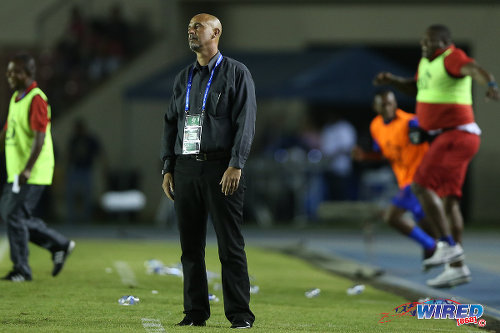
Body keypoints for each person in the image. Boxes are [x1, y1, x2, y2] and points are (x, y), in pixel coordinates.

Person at [374, 24, 499, 288]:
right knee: (450, 202)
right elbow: (417, 87)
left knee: (420, 185)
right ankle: (457, 267)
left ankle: (446, 246)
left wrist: (490, 83)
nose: (424, 45)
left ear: (444, 42)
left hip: (455, 134)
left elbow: (473, 69)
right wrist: (394, 81)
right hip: (453, 136)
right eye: (422, 41)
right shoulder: (427, 63)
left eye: (429, 41)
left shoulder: (451, 57)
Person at [160, 14, 256, 328]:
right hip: (186, 168)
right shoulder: (182, 78)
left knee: (230, 245)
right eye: (189, 27)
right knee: (190, 246)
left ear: (216, 32)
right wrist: (167, 167)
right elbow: (170, 123)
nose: (191, 31)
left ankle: (240, 315)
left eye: (197, 27)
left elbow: (246, 122)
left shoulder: (236, 73)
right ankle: (195, 312)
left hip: (221, 167)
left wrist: (236, 164)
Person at [0, 53, 75, 282]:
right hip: (17, 172)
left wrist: (28, 169)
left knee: (14, 215)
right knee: (10, 213)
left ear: (29, 73)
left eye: (16, 71)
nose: (10, 75)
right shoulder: (16, 97)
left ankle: (22, 269)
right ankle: (59, 244)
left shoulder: (36, 99)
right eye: (9, 71)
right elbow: (7, 132)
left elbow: (40, 138)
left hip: (32, 172)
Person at [352, 91, 438, 260]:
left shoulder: (410, 121)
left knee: (392, 216)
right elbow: (384, 154)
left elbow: (427, 133)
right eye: (383, 104)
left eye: (390, 103)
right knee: (421, 217)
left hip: (419, 177)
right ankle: (444, 248)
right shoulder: (376, 125)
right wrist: (365, 156)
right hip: (403, 178)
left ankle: (432, 246)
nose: (388, 107)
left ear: (395, 104)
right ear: (375, 107)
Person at [66, 118, 103, 223]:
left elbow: (99, 152)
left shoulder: (90, 139)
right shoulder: (74, 139)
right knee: (71, 195)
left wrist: (104, 166)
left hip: (86, 170)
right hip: (75, 169)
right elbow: (68, 154)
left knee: (87, 195)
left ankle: (86, 218)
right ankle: (71, 218)